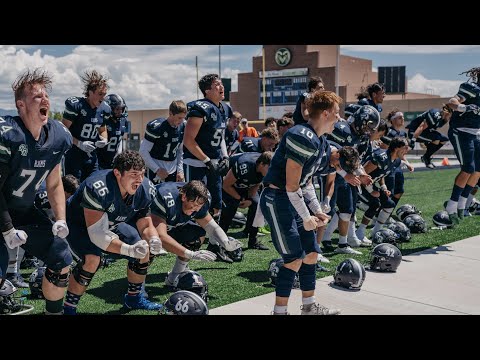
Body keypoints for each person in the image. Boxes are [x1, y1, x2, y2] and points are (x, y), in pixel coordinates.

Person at [260, 90, 341, 315]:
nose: (338, 117)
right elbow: (291, 186)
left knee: (311, 254)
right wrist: (306, 217)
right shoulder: (301, 135)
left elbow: (305, 183)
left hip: (294, 198)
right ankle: (279, 311)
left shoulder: (321, 141)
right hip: (278, 199)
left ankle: (309, 307)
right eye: (336, 113)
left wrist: (316, 210)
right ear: (325, 114)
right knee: (294, 258)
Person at [0, 68, 73, 315]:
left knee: (61, 257)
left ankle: (54, 312)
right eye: (36, 97)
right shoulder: (8, 134)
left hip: (21, 209)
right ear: (21, 105)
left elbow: (54, 183)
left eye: (46, 96)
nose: (45, 100)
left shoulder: (58, 136)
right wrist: (8, 229)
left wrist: (60, 218)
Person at [63, 150, 163, 314]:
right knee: (92, 260)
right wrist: (128, 249)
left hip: (112, 222)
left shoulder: (145, 188)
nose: (139, 179)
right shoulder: (98, 186)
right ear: (117, 173)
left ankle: (134, 298)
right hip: (79, 224)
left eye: (142, 174)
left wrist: (153, 239)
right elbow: (97, 234)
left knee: (143, 249)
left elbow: (145, 224)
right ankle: (69, 308)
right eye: (133, 174)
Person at [150, 180, 242, 283]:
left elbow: (210, 226)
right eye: (193, 206)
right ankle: (137, 289)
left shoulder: (198, 201)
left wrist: (225, 243)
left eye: (199, 207)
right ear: (184, 197)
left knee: (197, 235)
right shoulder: (165, 197)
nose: (196, 210)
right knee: (150, 246)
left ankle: (174, 276)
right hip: (146, 230)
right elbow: (160, 236)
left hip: (170, 227)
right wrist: (190, 254)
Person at [183, 74, 232, 219]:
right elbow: (188, 140)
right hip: (196, 163)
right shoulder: (201, 108)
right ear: (207, 90)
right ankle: (191, 238)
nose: (221, 87)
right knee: (194, 202)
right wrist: (207, 161)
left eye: (221, 83)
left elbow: (220, 135)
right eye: (217, 84)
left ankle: (213, 239)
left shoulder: (225, 108)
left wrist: (225, 156)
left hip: (214, 163)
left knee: (216, 203)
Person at [355, 137, 410, 241]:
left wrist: (383, 187)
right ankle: (360, 232)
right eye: (405, 147)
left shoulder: (396, 160)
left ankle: (376, 231)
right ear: (396, 148)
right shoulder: (381, 157)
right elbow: (362, 174)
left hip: (369, 184)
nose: (407, 150)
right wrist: (371, 190)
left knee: (389, 204)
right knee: (374, 204)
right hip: (357, 184)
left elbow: (382, 173)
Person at [445, 67, 480, 224]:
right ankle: (452, 205)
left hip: (474, 133)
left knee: (477, 170)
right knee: (468, 168)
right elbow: (452, 102)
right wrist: (464, 107)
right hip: (460, 131)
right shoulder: (472, 88)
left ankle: (463, 202)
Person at [62, 69, 109, 181]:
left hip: (91, 157)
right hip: (73, 155)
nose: (103, 98)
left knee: (93, 186)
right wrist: (79, 143)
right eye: (100, 94)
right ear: (90, 92)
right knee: (73, 189)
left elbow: (102, 129)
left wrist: (104, 138)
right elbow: (63, 131)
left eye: (104, 94)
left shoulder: (104, 109)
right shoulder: (77, 106)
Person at [219, 151, 273, 250]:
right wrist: (239, 199)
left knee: (257, 205)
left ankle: (253, 240)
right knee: (230, 209)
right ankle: (220, 242)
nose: (271, 171)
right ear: (261, 164)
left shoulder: (262, 169)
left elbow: (256, 183)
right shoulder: (245, 165)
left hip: (246, 186)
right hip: (229, 186)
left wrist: (249, 199)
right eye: (269, 168)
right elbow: (226, 184)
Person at [139, 100, 186, 183]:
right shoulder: (157, 127)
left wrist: (180, 170)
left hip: (173, 170)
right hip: (155, 171)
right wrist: (157, 169)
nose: (182, 121)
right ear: (171, 114)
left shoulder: (182, 127)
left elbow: (179, 151)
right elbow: (143, 151)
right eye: (179, 118)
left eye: (183, 117)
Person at [380, 109, 414, 211]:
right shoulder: (389, 132)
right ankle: (379, 215)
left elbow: (402, 153)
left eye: (403, 117)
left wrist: (407, 163)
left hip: (398, 166)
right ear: (392, 120)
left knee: (399, 191)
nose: (402, 119)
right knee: (389, 191)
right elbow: (383, 147)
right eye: (399, 117)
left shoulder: (403, 133)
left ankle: (388, 213)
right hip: (389, 166)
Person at [96, 94, 129, 170]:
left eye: (121, 109)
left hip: (113, 161)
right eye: (117, 109)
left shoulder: (123, 121)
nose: (120, 111)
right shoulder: (103, 120)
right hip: (99, 160)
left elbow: (119, 140)